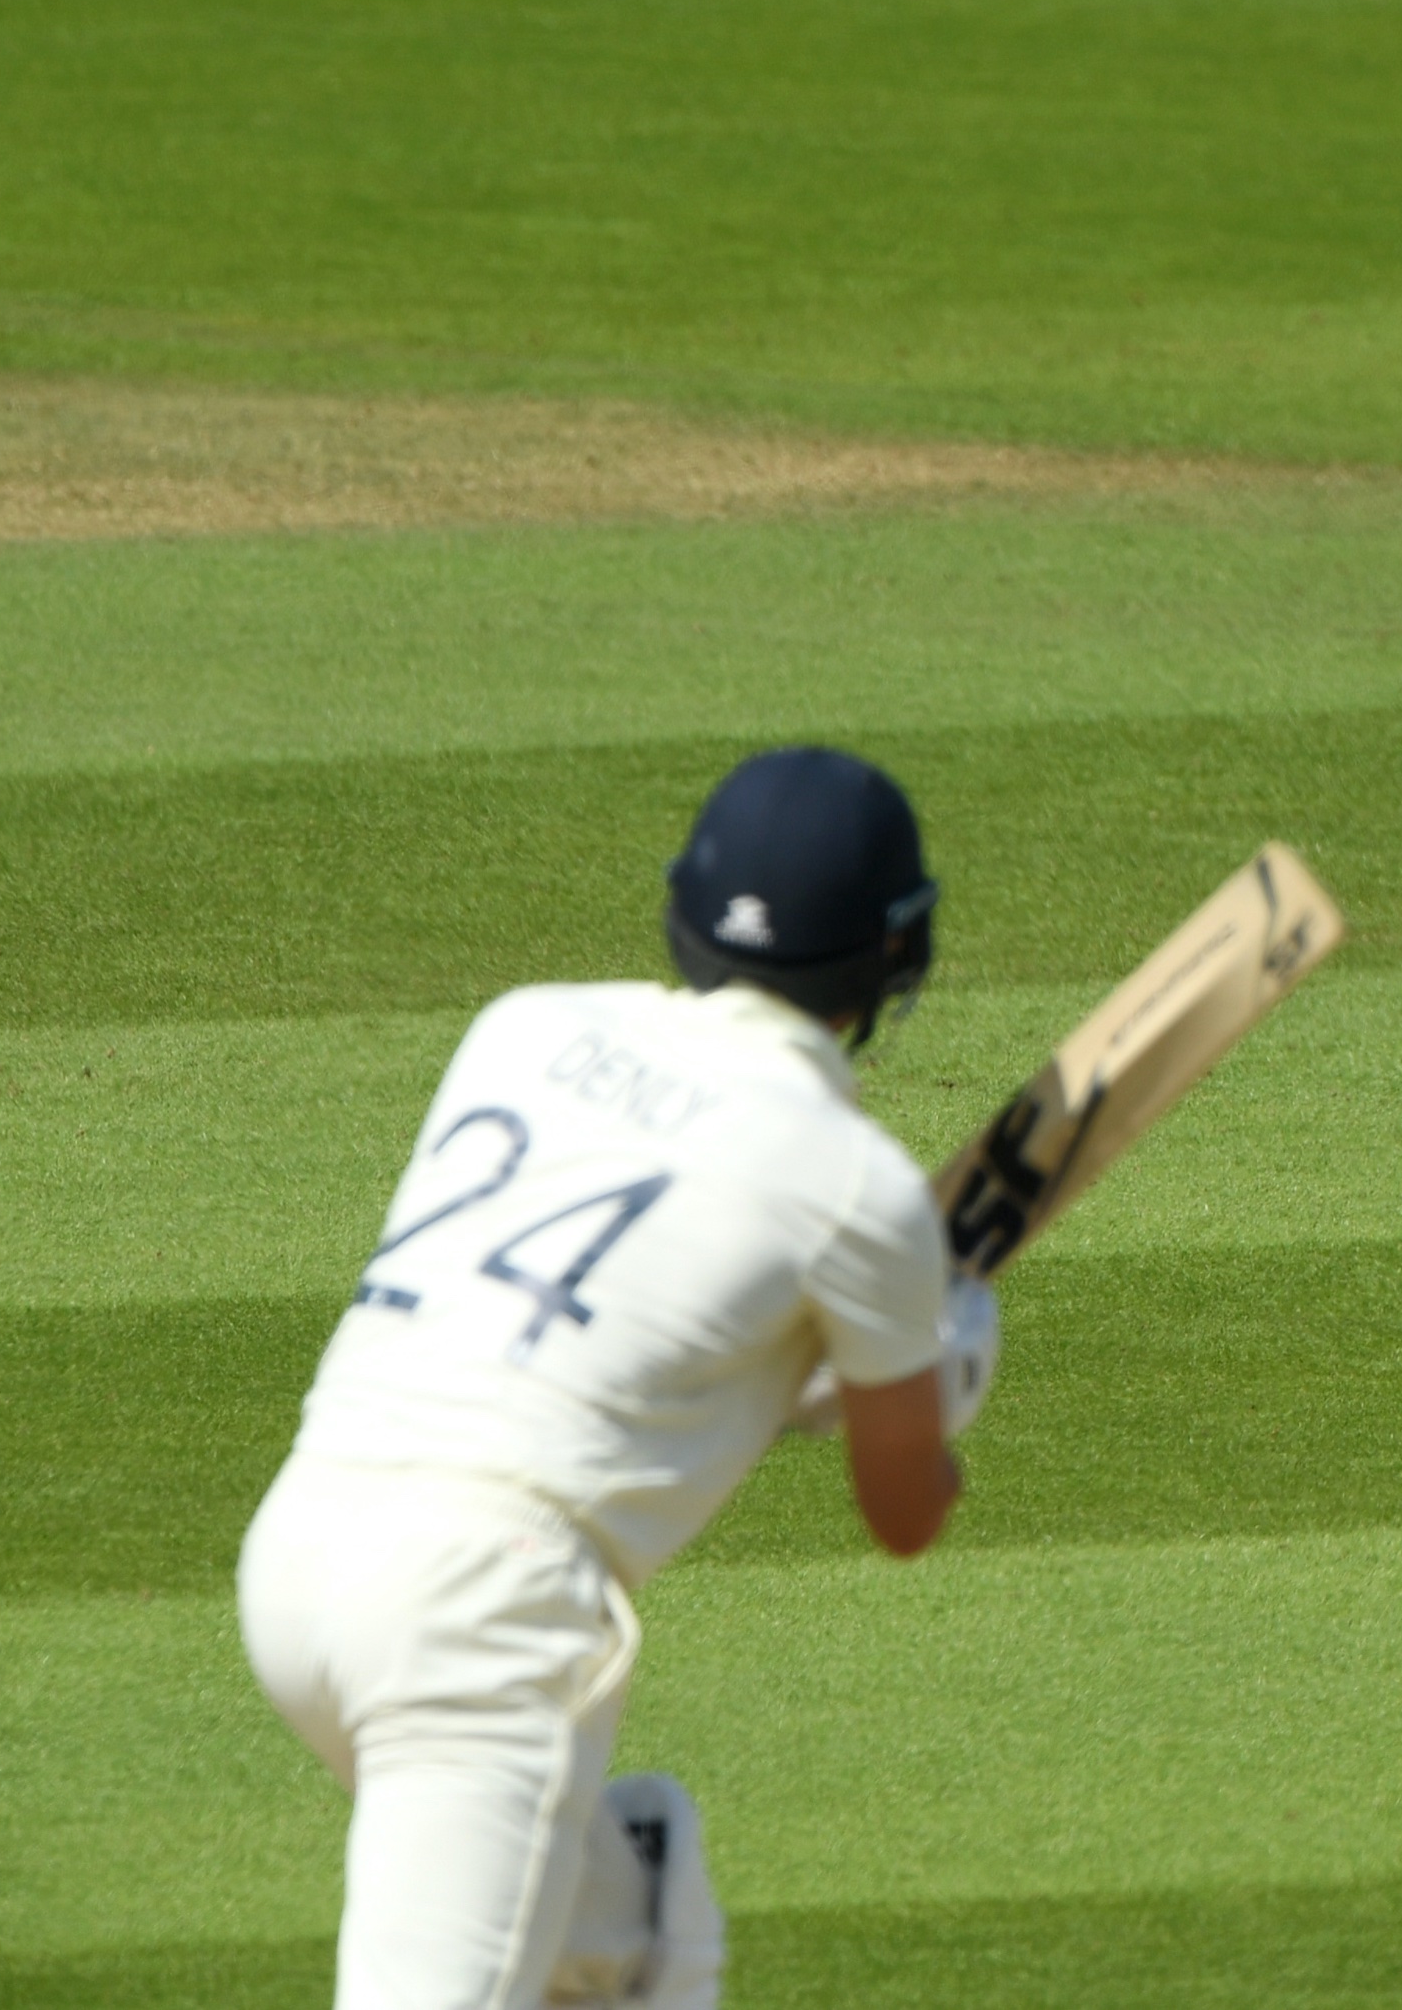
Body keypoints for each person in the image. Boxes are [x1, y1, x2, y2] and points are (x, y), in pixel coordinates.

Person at [237, 747, 998, 2009]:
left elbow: (609, 1327)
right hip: (476, 1622)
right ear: (895, 957)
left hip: (302, 1551)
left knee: (605, 1949)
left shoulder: (525, 1024)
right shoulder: (854, 1186)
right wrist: (943, 1364)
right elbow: (904, 1510)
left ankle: (632, 1900)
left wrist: (809, 1371)